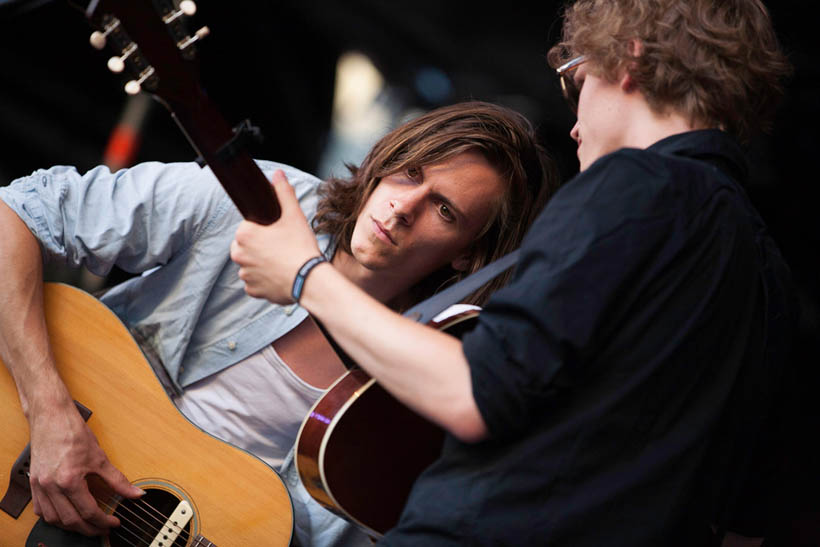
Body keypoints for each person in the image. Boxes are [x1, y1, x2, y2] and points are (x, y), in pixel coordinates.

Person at [230, 0, 797, 545]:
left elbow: (477, 393)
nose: (575, 125)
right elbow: (748, 521)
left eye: (576, 81)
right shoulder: (771, 276)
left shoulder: (634, 184)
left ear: (628, 60)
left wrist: (306, 276)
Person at [0, 101, 557, 544]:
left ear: (468, 256)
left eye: (445, 210)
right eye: (409, 173)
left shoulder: (426, 388)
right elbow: (18, 213)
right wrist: (49, 413)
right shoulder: (256, 202)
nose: (403, 206)